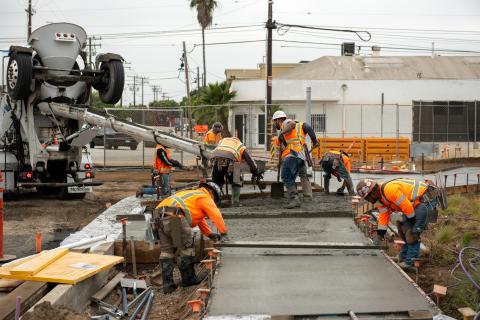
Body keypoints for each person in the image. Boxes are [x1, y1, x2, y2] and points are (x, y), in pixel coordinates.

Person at [155, 182, 228, 293]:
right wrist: (224, 232)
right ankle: (188, 279)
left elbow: (199, 219)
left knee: (167, 251)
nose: (213, 201)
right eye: (215, 199)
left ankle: (168, 284)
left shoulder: (192, 195)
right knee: (187, 247)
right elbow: (216, 215)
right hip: (174, 217)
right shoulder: (204, 196)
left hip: (158, 217)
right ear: (212, 192)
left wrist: (209, 234)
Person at [356, 178, 438, 271]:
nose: (370, 199)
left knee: (412, 233)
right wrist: (380, 235)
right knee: (405, 231)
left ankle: (410, 263)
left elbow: (406, 206)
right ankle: (403, 258)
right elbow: (383, 216)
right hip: (412, 205)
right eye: (367, 198)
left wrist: (411, 223)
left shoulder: (389, 190)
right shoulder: (379, 200)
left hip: (424, 199)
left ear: (374, 190)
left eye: (370, 196)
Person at [272, 110, 319, 208]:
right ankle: (307, 197)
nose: (273, 124)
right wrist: (279, 162)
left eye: (274, 121)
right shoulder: (293, 129)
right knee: (303, 175)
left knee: (286, 176)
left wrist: (282, 133)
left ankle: (294, 199)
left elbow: (292, 124)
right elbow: (306, 126)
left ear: (278, 120)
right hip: (301, 155)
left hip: (292, 155)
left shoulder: (286, 123)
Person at [211, 137, 260, 206]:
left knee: (217, 183)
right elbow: (249, 159)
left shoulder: (223, 140)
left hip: (217, 160)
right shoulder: (240, 145)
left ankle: (215, 201)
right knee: (236, 181)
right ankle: (235, 202)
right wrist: (255, 170)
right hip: (232, 161)